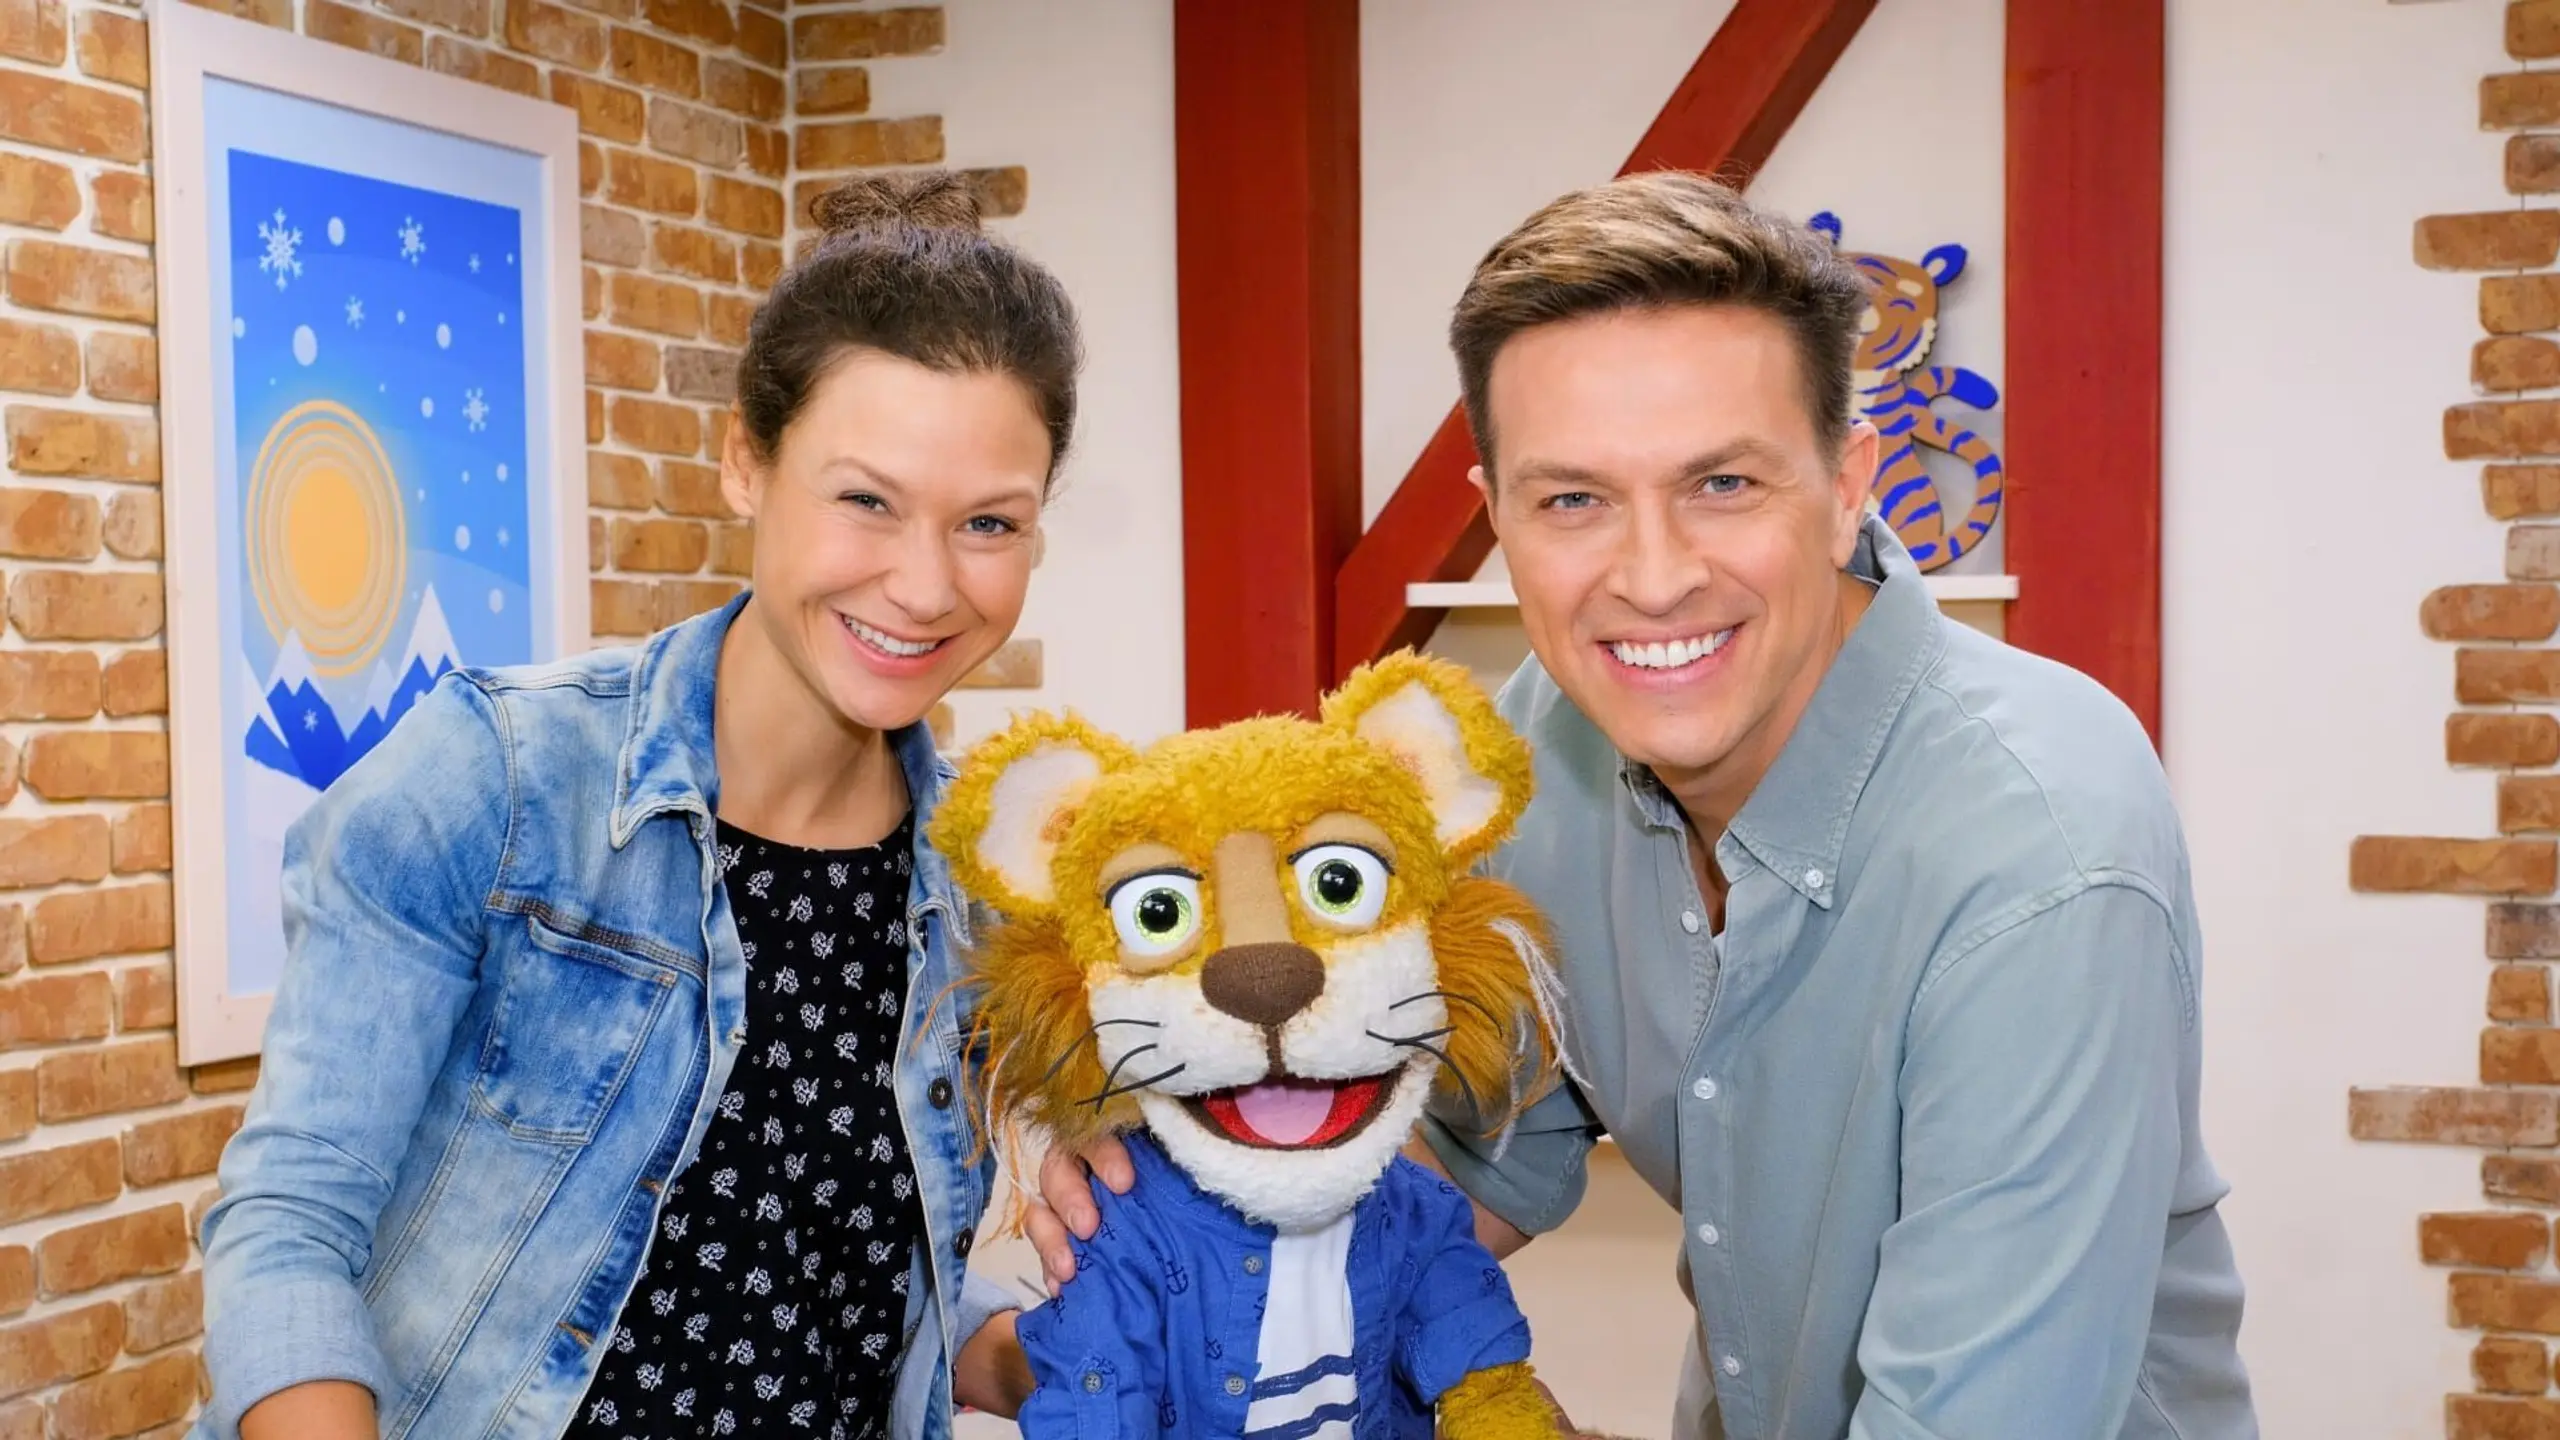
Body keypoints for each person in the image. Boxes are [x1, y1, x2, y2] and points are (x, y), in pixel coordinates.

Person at [1023, 171, 2260, 1439]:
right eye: (1573, 500)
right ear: (1498, 517)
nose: (1653, 580)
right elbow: (1453, 1177)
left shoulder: (2041, 845)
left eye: (1722, 484)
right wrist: (1191, 1194)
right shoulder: (1546, 742)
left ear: (1849, 485)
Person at [196, 169, 1064, 1440]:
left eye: (988, 523)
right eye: (866, 500)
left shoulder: (982, 894)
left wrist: (1049, 1348)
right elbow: (291, 1227)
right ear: (745, 462)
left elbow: (811, 1257)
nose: (926, 586)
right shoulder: (497, 781)